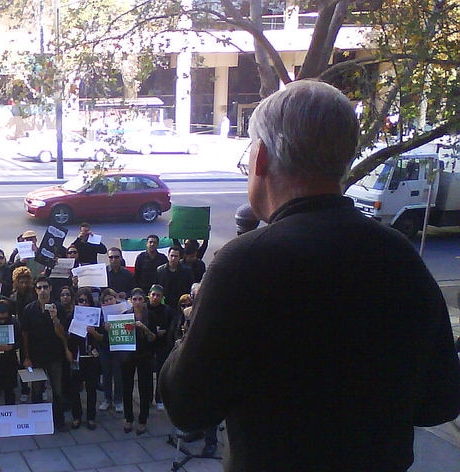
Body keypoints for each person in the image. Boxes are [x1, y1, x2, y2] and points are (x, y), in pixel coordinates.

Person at [159, 80, 460, 470]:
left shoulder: (245, 264)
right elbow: (440, 400)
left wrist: (193, 322)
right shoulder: (399, 255)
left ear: (261, 158)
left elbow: (186, 406)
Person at [21, 276, 70, 432]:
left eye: (45, 287)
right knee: (36, 390)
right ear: (35, 290)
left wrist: (55, 319)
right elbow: (25, 335)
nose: (43, 291)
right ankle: (38, 421)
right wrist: (26, 357)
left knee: (58, 389)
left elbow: (63, 335)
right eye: (39, 287)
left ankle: (59, 421)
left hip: (55, 355)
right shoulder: (29, 309)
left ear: (50, 289)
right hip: (36, 356)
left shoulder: (59, 308)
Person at [116, 288, 157, 435]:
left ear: (144, 301)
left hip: (144, 355)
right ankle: (128, 418)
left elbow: (153, 338)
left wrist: (144, 328)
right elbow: (117, 335)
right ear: (131, 301)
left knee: (144, 388)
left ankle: (143, 419)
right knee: (127, 387)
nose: (138, 302)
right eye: (135, 299)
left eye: (140, 299)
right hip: (128, 356)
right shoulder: (125, 316)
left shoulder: (150, 316)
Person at [67, 287, 104, 430]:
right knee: (75, 389)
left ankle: (91, 417)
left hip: (91, 358)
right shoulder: (72, 316)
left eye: (86, 301)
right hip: (77, 358)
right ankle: (76, 416)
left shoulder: (96, 317)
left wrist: (93, 332)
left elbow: (102, 338)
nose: (83, 304)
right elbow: (66, 337)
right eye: (80, 301)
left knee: (91, 389)